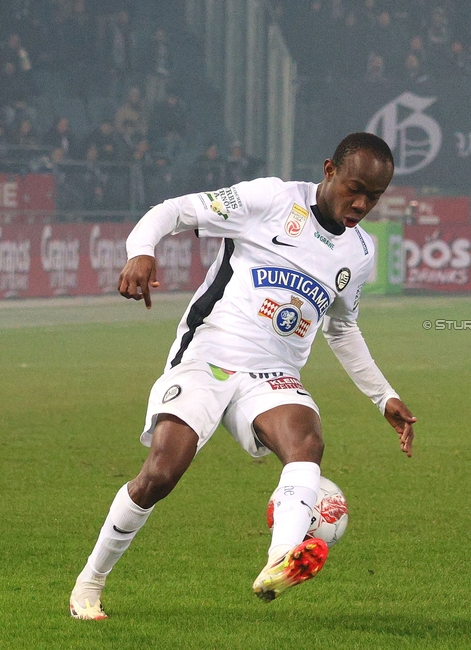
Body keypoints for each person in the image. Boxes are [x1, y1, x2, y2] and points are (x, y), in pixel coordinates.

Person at [69, 132, 418, 620]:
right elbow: (173, 211)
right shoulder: (271, 199)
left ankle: (281, 559)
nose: (361, 204)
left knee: (307, 443)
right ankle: (90, 583)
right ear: (329, 171)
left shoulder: (358, 253)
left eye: (374, 197)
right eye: (354, 188)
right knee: (160, 475)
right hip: (209, 354)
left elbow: (342, 329)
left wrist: (384, 397)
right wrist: (141, 249)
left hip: (272, 374)